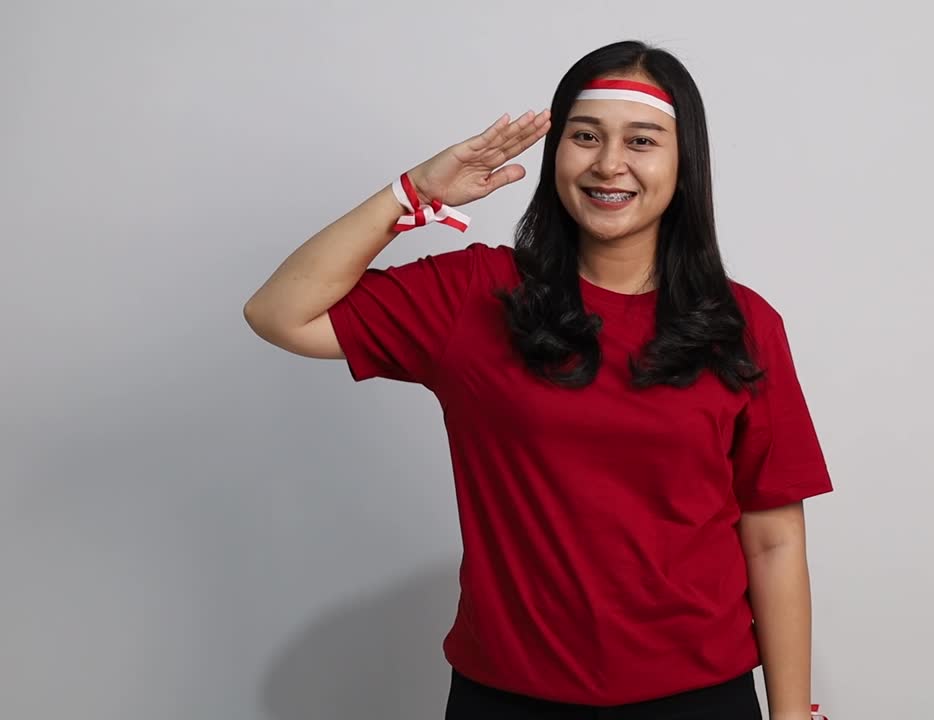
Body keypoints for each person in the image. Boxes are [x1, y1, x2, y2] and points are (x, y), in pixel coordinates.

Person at [244, 40, 833, 720]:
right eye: (585, 136)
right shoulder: (474, 296)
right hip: (508, 699)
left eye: (641, 140)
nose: (609, 163)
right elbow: (278, 313)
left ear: (683, 162)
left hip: (699, 698)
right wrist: (415, 193)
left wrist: (791, 717)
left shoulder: (744, 324)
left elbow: (775, 538)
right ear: (557, 153)